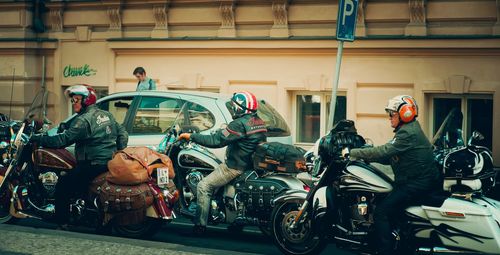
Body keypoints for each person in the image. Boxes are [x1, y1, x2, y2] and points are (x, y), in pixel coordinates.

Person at [349, 95, 440, 255]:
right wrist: (365, 156)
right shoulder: (408, 130)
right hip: (418, 180)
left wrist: (351, 152)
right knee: (380, 200)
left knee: (381, 212)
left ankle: (385, 250)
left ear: (405, 114)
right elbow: (391, 157)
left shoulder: (407, 133)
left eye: (392, 114)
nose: (389, 118)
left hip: (416, 183)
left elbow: (383, 151)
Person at [31, 85, 128, 226]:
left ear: (87, 100)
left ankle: (61, 220)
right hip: (108, 163)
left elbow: (62, 140)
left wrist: (39, 139)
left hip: (93, 164)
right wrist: (118, 151)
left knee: (63, 184)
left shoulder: (83, 120)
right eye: (73, 100)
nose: (73, 103)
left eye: (77, 99)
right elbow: (123, 133)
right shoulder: (107, 115)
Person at [177, 91, 267, 235]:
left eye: (234, 106)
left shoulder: (238, 123)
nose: (232, 108)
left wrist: (191, 136)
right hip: (250, 165)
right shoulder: (258, 121)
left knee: (203, 185)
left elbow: (216, 141)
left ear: (240, 108)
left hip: (235, 167)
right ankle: (234, 222)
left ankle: (200, 225)